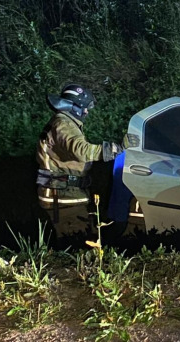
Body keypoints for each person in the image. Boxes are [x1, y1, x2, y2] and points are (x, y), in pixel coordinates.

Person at [36, 83, 134, 241]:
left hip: (66, 195)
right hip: (62, 198)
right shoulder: (64, 126)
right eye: (84, 108)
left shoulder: (65, 123)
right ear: (73, 107)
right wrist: (117, 148)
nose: (87, 112)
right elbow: (82, 150)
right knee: (78, 245)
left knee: (87, 238)